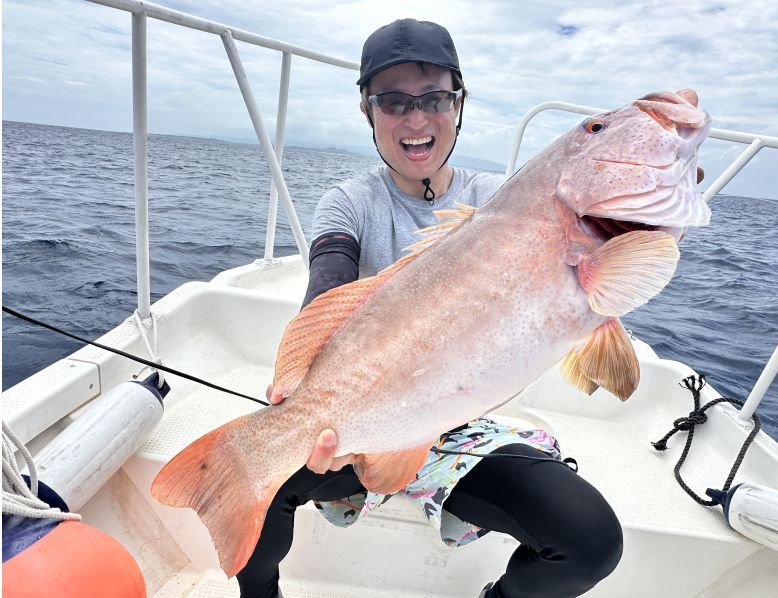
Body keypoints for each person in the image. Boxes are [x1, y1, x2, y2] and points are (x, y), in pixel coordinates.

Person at [236, 19, 624, 598]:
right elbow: (329, 282)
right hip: (353, 420)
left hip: (454, 425)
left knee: (591, 539)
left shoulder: (503, 202)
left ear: (458, 102)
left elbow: (587, 291)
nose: (416, 119)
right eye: (393, 101)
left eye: (434, 98)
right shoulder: (349, 201)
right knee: (250, 479)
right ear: (367, 110)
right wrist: (297, 389)